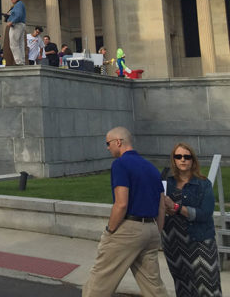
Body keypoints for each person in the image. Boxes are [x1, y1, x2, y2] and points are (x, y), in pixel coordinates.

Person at [82, 126, 167, 297]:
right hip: (151, 229)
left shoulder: (120, 164)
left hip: (129, 229)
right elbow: (162, 206)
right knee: (153, 287)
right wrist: (155, 232)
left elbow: (121, 204)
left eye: (108, 143)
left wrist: (110, 230)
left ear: (118, 142)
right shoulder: (151, 167)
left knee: (100, 281)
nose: (107, 147)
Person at [162, 142, 222, 297]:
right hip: (174, 243)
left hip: (200, 241)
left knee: (209, 286)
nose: (183, 160)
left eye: (187, 156)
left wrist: (176, 207)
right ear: (173, 159)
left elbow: (205, 213)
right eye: (179, 156)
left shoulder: (203, 184)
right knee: (183, 285)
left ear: (193, 160)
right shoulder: (167, 183)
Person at [5, 0, 26, 65]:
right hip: (21, 24)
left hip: (16, 25)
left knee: (13, 44)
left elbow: (19, 15)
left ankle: (18, 61)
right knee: (20, 44)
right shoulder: (18, 5)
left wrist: (11, 21)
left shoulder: (18, 4)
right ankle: (22, 61)